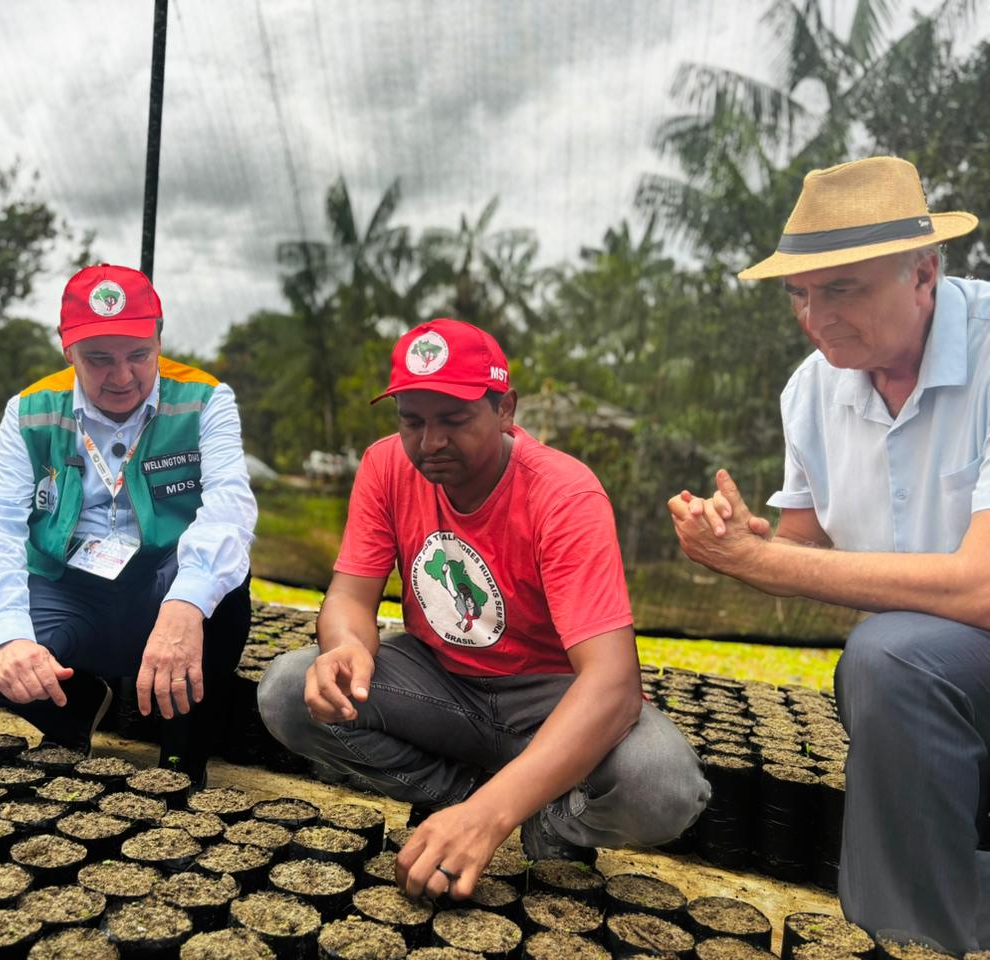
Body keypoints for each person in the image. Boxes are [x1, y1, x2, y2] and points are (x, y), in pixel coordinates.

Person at [259, 318, 709, 900]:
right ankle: (458, 795)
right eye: (412, 421)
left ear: (505, 410)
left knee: (663, 786)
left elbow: (613, 685)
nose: (430, 442)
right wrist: (346, 647)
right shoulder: (385, 466)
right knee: (291, 690)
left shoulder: (563, 494)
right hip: (440, 683)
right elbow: (349, 594)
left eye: (454, 419)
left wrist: (493, 817)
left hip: (549, 696)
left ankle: (548, 819)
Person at [667, 156, 989, 951]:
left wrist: (767, 563)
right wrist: (745, 541)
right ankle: (922, 933)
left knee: (890, 656)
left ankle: (919, 928)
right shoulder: (812, 391)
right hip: (934, 669)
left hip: (945, 653)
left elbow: (983, 590)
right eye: (799, 294)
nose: (816, 318)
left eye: (842, 288)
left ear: (924, 271)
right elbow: (803, 549)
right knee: (888, 660)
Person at [0, 263, 255, 779]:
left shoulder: (205, 399)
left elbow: (229, 506)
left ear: (159, 337)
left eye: (139, 355)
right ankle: (75, 710)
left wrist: (185, 604)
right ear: (66, 348)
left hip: (162, 579)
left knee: (220, 593)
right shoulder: (30, 410)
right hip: (70, 587)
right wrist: (8, 638)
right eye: (98, 359)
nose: (122, 377)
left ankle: (182, 757)